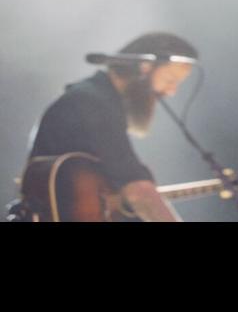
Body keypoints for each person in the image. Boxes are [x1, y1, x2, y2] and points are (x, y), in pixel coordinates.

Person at [14, 33, 198, 223]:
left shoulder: (95, 98)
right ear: (144, 68)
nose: (171, 91)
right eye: (170, 80)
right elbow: (138, 191)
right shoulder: (92, 102)